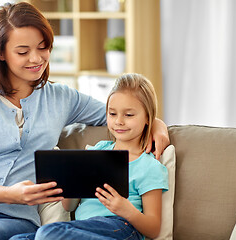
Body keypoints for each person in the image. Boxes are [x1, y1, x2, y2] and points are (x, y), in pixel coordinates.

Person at [0, 2, 169, 240]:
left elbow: (118, 112)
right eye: (23, 51)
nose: (36, 58)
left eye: (43, 47)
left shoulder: (61, 97)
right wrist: (10, 193)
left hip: (13, 217)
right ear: (1, 53)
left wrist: (158, 124)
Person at [14, 73, 169, 240]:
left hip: (121, 226)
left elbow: (153, 229)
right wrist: (71, 184)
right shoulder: (97, 151)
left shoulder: (149, 166)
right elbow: (69, 206)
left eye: (129, 115)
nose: (119, 121)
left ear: (148, 118)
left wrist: (126, 210)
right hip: (82, 229)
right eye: (112, 114)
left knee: (48, 233)